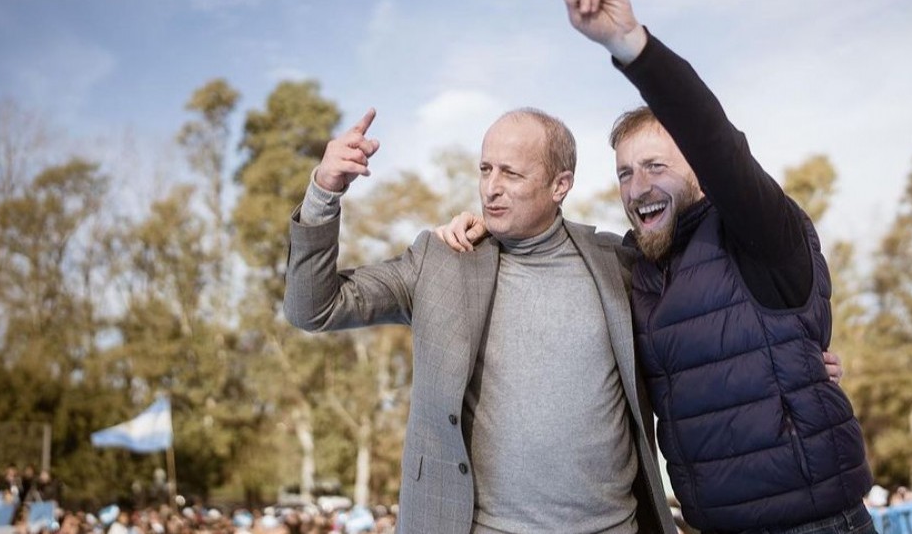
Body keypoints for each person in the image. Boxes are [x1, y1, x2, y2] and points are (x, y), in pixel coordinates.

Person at [443, 0, 873, 534]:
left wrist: (631, 46)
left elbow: (716, 140)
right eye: (623, 174)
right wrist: (489, 223)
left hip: (816, 524)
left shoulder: (759, 231)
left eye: (655, 167)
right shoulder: (635, 267)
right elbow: (558, 260)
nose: (638, 186)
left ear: (697, 171)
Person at [284, 108, 676, 533]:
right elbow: (313, 308)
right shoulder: (441, 262)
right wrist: (324, 192)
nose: (491, 189)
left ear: (560, 185)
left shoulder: (618, 263)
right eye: (485, 169)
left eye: (511, 174)